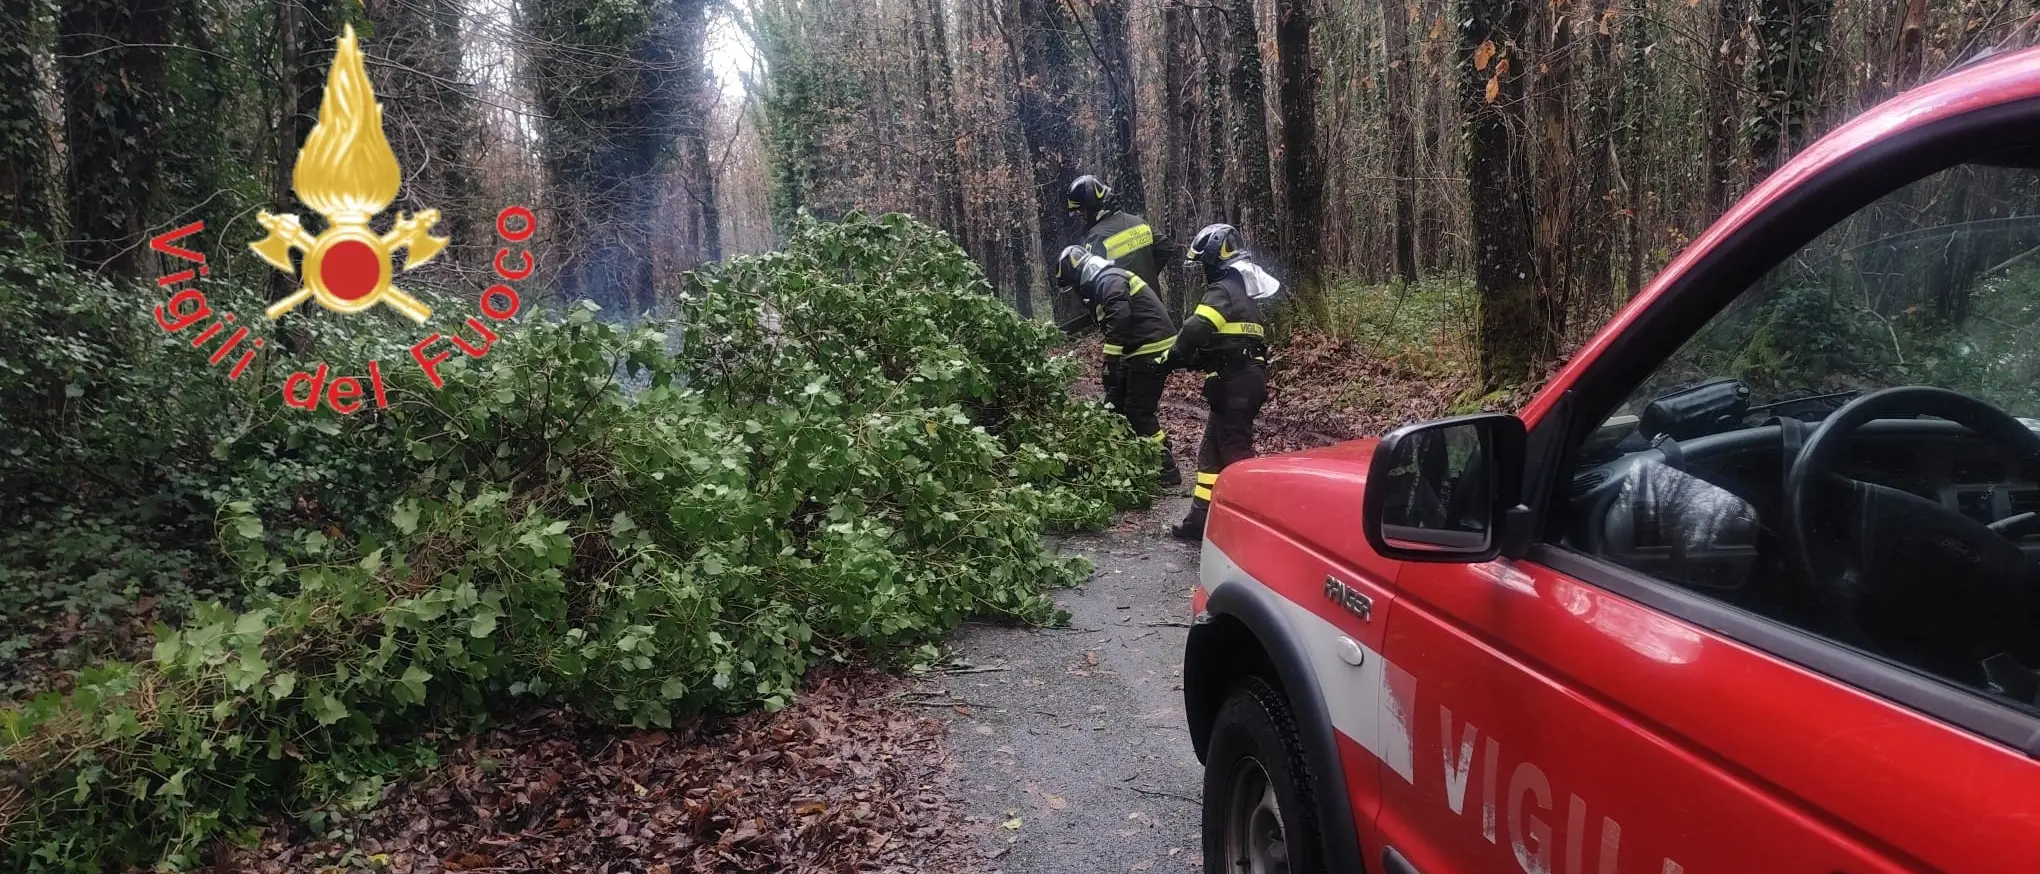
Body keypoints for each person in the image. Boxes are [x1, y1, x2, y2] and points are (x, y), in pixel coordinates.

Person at [1157, 223, 1277, 541]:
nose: (1204, 273)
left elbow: (1197, 330)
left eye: (1204, 266)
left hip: (1236, 382)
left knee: (1235, 450)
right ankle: (1200, 519)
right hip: (1237, 379)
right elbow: (1223, 345)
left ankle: (1262, 522)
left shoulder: (1222, 290)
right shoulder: (1243, 294)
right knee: (1211, 452)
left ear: (1215, 261)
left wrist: (1171, 356)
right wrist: (1187, 360)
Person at [1056, 245, 1183, 487]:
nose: (1076, 291)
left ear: (1079, 272)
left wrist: (1110, 362)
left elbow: (1120, 317)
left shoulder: (1109, 280)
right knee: (1115, 403)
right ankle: (1134, 454)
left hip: (1150, 349)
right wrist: (1061, 332)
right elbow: (1098, 316)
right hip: (1140, 347)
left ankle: (1166, 467)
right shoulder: (1105, 281)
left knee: (1137, 411)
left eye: (1073, 284)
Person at [1067, 175, 1162, 292]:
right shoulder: (1139, 222)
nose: (1081, 216)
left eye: (1082, 210)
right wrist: (1148, 275)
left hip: (1123, 307)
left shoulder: (1095, 238)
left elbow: (1092, 282)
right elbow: (1165, 247)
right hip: (1154, 304)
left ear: (1092, 207)